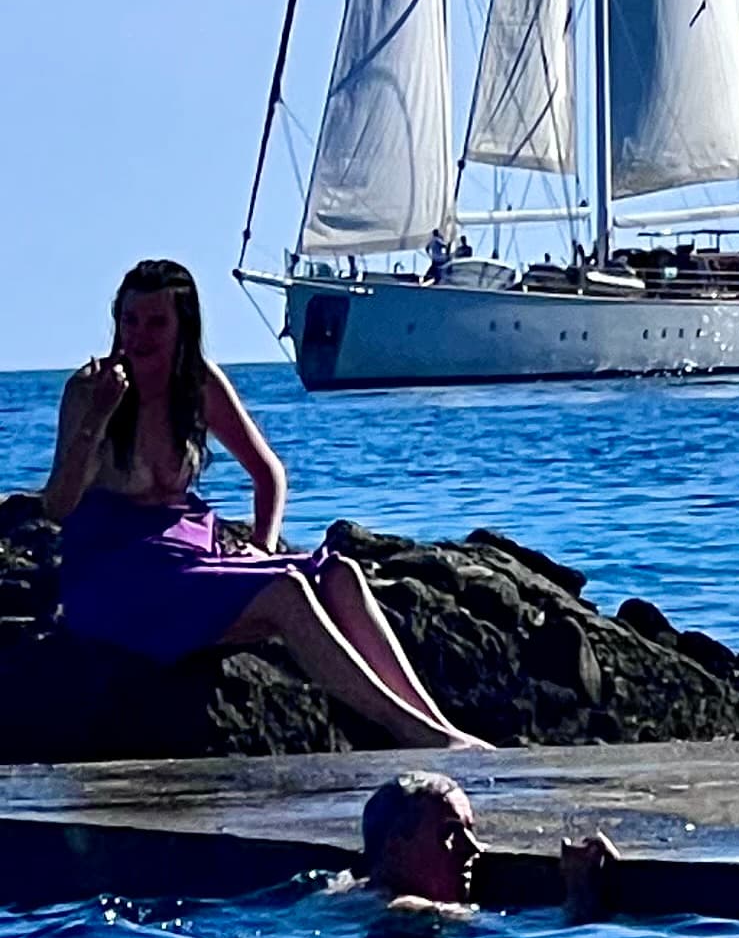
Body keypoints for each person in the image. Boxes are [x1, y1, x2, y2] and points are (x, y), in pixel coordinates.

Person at [43, 259, 484, 752]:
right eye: (130, 321)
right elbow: (58, 505)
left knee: (340, 573)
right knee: (287, 591)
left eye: (156, 322)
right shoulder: (90, 391)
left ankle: (440, 727)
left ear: (183, 327)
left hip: (187, 555)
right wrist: (97, 419)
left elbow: (267, 471)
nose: (140, 336)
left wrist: (263, 544)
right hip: (118, 575)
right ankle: (413, 734)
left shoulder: (198, 384)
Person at [357, 769, 618, 932]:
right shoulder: (407, 910)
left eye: (471, 830)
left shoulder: (347, 893)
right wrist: (581, 894)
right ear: (396, 848)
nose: (474, 848)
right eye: (450, 833)